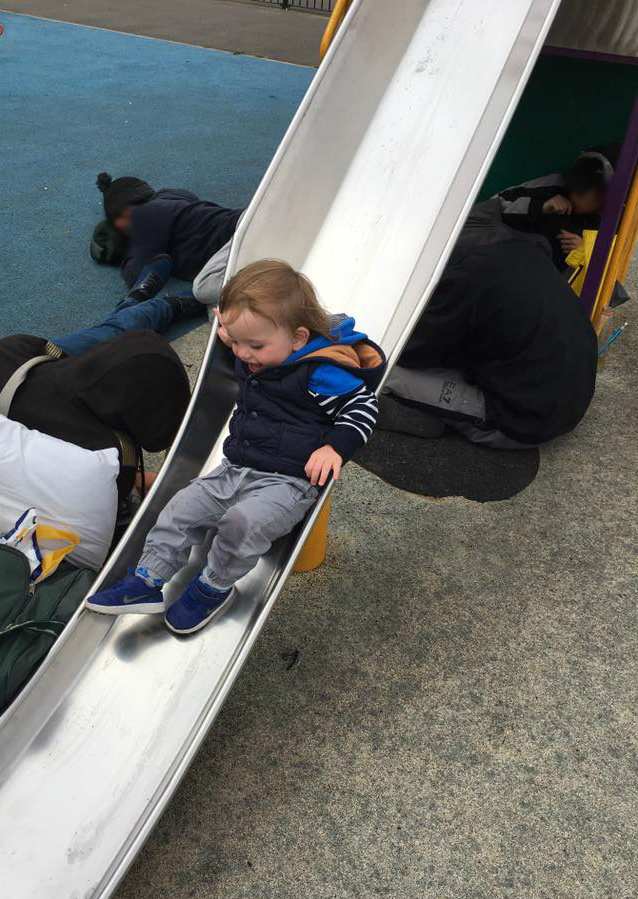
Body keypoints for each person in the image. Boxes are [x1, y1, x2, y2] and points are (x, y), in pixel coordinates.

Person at [86, 259, 386, 634]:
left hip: (288, 482)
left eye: (255, 345)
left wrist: (334, 449)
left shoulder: (319, 372)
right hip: (234, 470)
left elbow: (363, 406)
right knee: (180, 507)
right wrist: (231, 332)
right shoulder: (260, 351)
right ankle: (147, 581)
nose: (243, 354)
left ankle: (214, 586)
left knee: (242, 524)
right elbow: (244, 338)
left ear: (298, 338)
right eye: (237, 342)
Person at [0, 254, 197, 516]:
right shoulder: (111, 454)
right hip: (25, 377)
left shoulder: (10, 349)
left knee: (113, 337)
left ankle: (138, 301)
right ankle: (167, 306)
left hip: (17, 374)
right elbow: (133, 483)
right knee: (113, 332)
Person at [381, 200, 597, 449]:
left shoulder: (466, 277)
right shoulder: (520, 251)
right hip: (567, 396)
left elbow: (410, 350)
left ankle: (431, 415)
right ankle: (436, 409)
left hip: (524, 420)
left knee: (376, 365)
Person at [93, 172, 243, 289]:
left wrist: (125, 249)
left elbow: (137, 275)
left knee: (204, 290)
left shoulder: (143, 216)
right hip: (245, 219)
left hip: (237, 244)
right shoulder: (173, 196)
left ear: (122, 214)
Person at [495, 148, 616, 270]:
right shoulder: (555, 184)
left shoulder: (609, 221)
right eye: (577, 188)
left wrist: (584, 252)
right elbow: (496, 204)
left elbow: (610, 271)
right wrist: (540, 206)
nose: (575, 197)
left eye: (585, 194)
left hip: (549, 282)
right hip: (508, 262)